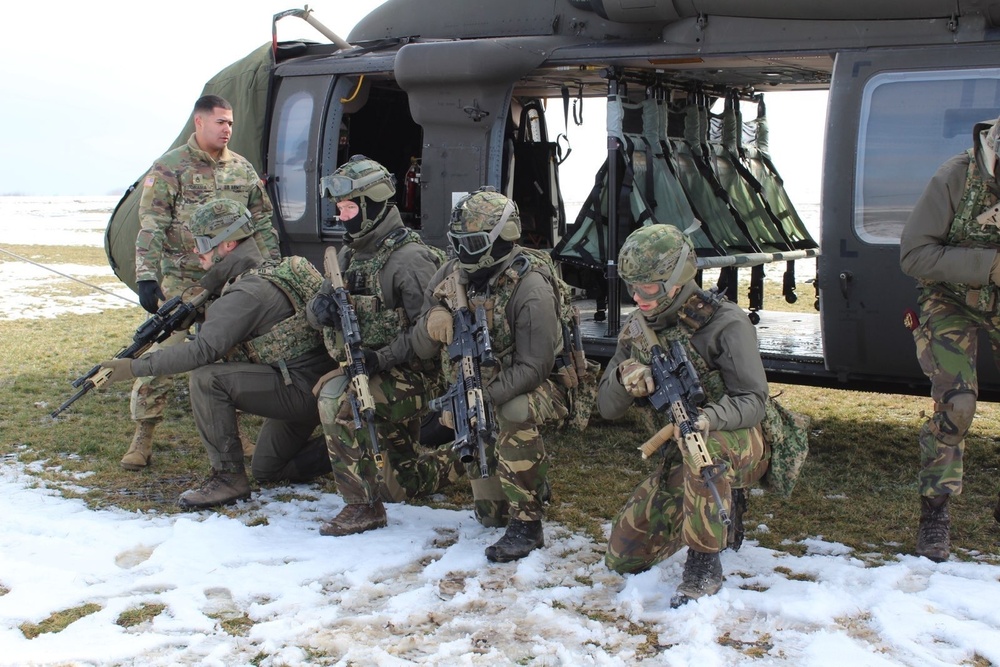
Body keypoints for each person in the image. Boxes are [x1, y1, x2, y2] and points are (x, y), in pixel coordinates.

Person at [99, 199, 334, 509]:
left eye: (204, 244)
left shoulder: (245, 292)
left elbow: (202, 352)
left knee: (208, 379)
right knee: (268, 469)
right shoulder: (271, 270)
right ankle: (347, 446)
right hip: (319, 384)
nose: (199, 252)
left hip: (302, 390)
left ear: (229, 244)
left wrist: (132, 367)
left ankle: (227, 479)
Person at [597, 224, 769, 607]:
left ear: (678, 279)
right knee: (623, 556)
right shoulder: (638, 329)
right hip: (679, 449)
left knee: (703, 447)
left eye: (650, 288)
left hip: (738, 438)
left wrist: (709, 418)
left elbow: (754, 400)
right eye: (632, 287)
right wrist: (627, 378)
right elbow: (606, 408)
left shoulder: (726, 323)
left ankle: (704, 562)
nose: (639, 298)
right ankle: (710, 500)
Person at [122, 94, 281, 472]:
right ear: (199, 122)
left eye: (230, 123)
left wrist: (271, 268)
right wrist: (146, 276)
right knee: (164, 353)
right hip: (183, 282)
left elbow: (261, 224)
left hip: (231, 283)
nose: (227, 129)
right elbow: (152, 226)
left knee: (234, 356)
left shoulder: (242, 170)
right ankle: (142, 435)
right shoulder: (170, 167)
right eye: (220, 122)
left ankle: (233, 432)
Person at [411, 187, 570, 563]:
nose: (464, 254)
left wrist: (481, 399)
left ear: (503, 239)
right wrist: (432, 317)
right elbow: (421, 338)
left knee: (513, 411)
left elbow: (535, 367)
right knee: (489, 516)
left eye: (475, 243)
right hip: (477, 382)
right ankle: (531, 479)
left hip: (541, 384)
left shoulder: (530, 287)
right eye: (458, 243)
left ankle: (528, 523)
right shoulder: (453, 272)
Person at [307, 155, 462, 536]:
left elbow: (428, 336)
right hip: (374, 370)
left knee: (339, 403)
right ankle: (467, 460)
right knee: (400, 485)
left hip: (414, 377)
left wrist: (380, 358)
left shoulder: (409, 260)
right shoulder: (351, 252)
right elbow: (317, 309)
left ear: (370, 204)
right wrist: (320, 310)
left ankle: (362, 506)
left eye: (346, 207)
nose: (340, 216)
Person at [899, 115, 1000, 562]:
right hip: (950, 297)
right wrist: (990, 266)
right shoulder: (955, 177)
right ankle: (935, 513)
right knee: (958, 403)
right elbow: (915, 254)